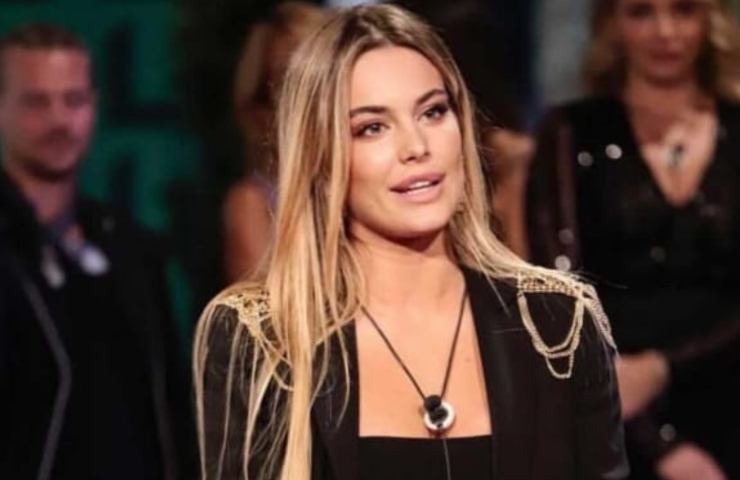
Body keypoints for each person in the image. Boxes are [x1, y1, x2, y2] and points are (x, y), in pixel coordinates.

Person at [195, 5, 628, 480]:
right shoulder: (261, 338)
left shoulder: (559, 325)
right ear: (320, 156)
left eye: (433, 112)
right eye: (372, 128)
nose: (417, 147)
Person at [526, 0, 740, 478]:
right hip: (610, 407)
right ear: (611, 24)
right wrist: (660, 443)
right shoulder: (570, 133)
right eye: (642, 12)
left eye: (683, 11)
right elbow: (558, 298)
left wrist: (664, 367)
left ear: (709, 20)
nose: (665, 32)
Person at [0, 24, 194, 479]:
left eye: (74, 100)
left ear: (95, 105)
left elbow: (170, 405)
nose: (59, 120)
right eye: (37, 102)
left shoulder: (130, 247)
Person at [224, 2, 327, 282]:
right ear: (259, 107)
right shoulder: (252, 205)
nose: (307, 98)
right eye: (285, 82)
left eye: (318, 77)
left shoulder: (373, 179)